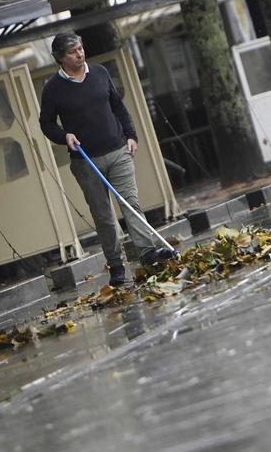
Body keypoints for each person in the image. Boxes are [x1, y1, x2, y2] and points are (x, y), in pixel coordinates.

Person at [39, 32, 174, 286]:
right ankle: (116, 265)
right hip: (86, 160)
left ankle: (147, 253)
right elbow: (46, 123)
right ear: (60, 57)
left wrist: (131, 135)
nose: (80, 54)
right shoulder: (53, 89)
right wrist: (63, 135)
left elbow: (118, 106)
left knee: (131, 203)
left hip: (117, 150)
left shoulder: (99, 73)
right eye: (73, 52)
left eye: (80, 48)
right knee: (103, 216)